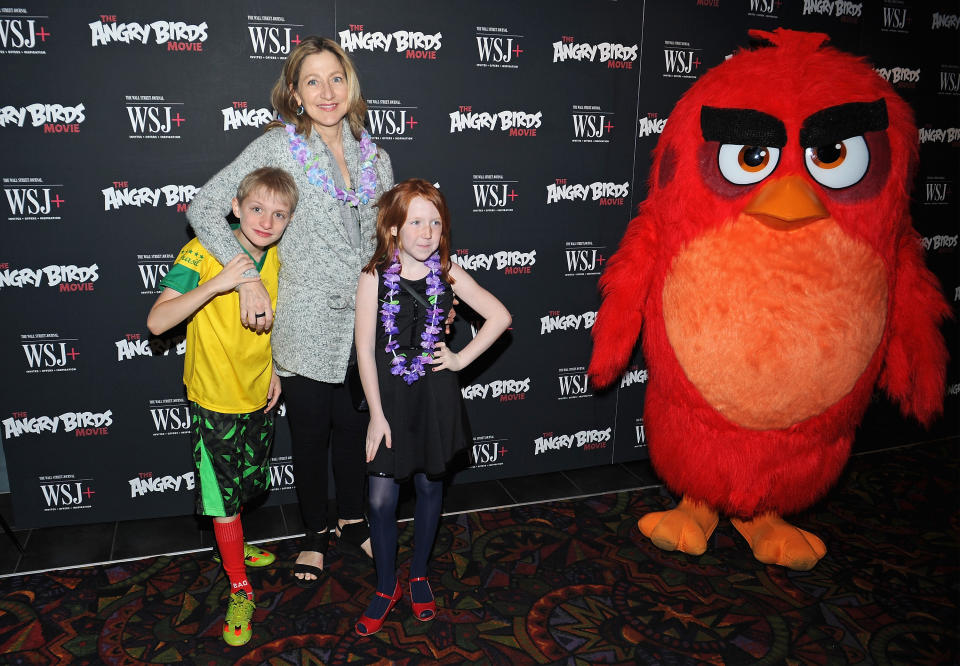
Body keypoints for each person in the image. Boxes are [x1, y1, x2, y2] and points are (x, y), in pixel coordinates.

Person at [187, 36, 394, 587]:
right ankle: (313, 536)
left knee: (353, 431)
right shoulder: (278, 146)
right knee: (309, 436)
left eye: (336, 78)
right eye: (312, 82)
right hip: (302, 323)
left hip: (365, 322)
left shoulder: (377, 156)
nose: (326, 91)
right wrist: (246, 275)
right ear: (295, 95)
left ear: (350, 85)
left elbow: (390, 243)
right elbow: (205, 205)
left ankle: (353, 522)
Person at [353, 179, 512, 635]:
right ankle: (386, 586)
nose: (426, 232)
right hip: (390, 398)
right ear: (393, 228)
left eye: (436, 223)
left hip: (434, 395)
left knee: (428, 487)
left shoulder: (449, 272)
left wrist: (460, 357)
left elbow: (500, 316)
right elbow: (365, 349)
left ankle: (419, 575)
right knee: (380, 499)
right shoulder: (372, 277)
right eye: (416, 222)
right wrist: (377, 416)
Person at [147, 167, 296, 646]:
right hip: (213, 400)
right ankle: (238, 586)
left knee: (247, 486)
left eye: (279, 214)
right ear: (235, 207)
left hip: (257, 393)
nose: (266, 222)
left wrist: (273, 368)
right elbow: (157, 321)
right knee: (222, 500)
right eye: (256, 209)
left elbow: (268, 320)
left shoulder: (276, 255)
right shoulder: (203, 249)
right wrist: (218, 283)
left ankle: (234, 548)